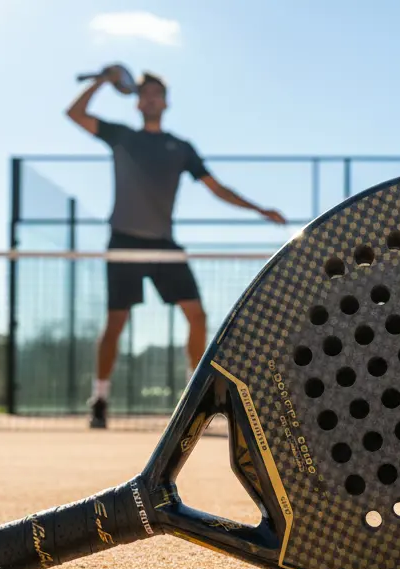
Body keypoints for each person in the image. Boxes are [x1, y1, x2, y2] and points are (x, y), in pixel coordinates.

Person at [67, 66, 286, 429]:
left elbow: (216, 188)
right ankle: (101, 399)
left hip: (164, 245)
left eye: (157, 93)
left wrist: (258, 209)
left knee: (197, 316)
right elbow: (74, 115)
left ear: (165, 102)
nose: (151, 98)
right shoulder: (120, 136)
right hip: (123, 242)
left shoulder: (181, 148)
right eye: (145, 94)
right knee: (116, 322)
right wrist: (101, 81)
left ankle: (194, 397)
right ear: (137, 102)